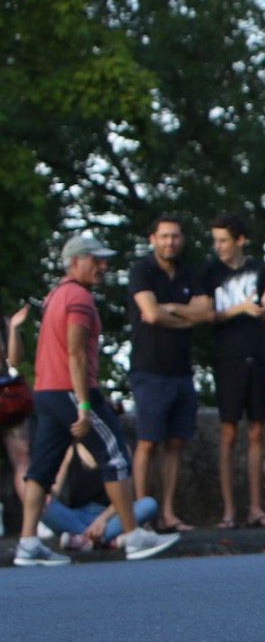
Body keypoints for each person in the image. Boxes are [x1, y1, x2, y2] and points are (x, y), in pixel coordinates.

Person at [13, 233, 178, 565]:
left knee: (40, 470)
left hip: (45, 391)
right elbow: (75, 352)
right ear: (75, 261)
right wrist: (85, 404)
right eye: (95, 259)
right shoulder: (79, 297)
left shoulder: (55, 294)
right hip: (71, 391)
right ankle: (133, 537)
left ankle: (28, 543)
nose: (102, 266)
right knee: (114, 456)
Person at [128, 214, 211, 532]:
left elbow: (205, 312)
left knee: (175, 443)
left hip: (181, 371)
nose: (170, 242)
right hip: (149, 370)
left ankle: (167, 513)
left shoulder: (189, 272)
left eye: (175, 236)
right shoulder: (142, 270)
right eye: (164, 236)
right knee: (147, 442)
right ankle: (140, 516)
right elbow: (150, 313)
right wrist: (184, 312)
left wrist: (171, 310)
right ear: (152, 239)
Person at [200, 212, 265, 529]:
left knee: (257, 432)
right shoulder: (210, 272)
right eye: (215, 241)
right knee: (228, 433)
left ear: (240, 241)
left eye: (223, 240)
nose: (218, 247)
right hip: (227, 357)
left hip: (256, 355)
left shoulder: (258, 268)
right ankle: (229, 510)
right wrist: (238, 308)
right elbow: (206, 316)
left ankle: (256, 508)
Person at [39, 440, 160, 550]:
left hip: (112, 516)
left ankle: (83, 540)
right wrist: (44, 494)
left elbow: (126, 494)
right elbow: (56, 488)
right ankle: (104, 539)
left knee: (148, 504)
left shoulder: (119, 449)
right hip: (78, 516)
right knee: (41, 505)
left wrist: (102, 519)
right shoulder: (71, 450)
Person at [2, 300, 32, 517]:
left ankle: (36, 516)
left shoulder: (2, 322)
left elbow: (14, 359)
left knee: (22, 456)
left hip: (6, 397)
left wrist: (13, 327)